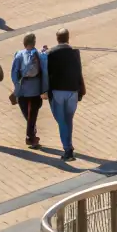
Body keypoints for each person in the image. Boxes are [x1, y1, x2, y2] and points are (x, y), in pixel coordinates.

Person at [46, 27, 84, 161]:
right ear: (68, 38)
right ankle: (69, 144)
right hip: (73, 91)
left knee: (61, 121)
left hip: (57, 92)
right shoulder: (74, 53)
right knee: (68, 119)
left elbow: (46, 72)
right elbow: (79, 72)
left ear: (57, 39)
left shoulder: (51, 54)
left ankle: (68, 149)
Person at [10, 32, 48, 147]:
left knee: (28, 114)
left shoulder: (19, 55)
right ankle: (31, 136)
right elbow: (44, 70)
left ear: (24, 43)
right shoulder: (38, 55)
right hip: (35, 88)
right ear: (34, 43)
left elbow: (14, 72)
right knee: (32, 114)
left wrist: (17, 86)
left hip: (22, 89)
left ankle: (31, 135)